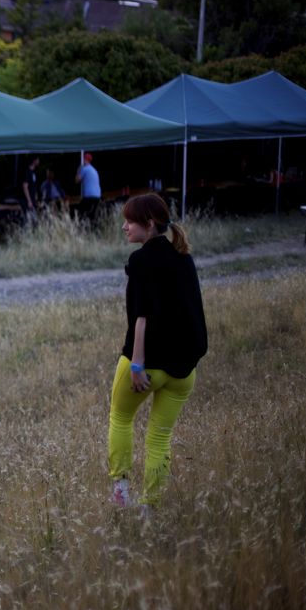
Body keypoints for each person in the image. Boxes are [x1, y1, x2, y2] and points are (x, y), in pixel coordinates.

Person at [108, 194, 208, 516]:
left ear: (149, 224)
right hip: (183, 371)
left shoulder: (141, 260)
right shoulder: (183, 256)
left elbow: (141, 316)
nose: (124, 227)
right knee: (160, 438)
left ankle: (121, 493)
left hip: (147, 364)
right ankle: (150, 509)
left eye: (130, 221)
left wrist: (138, 365)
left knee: (121, 417)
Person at [76, 152, 101, 221]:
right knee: (92, 215)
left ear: (84, 160)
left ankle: (82, 225)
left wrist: (78, 170)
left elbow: (77, 180)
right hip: (97, 196)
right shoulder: (94, 170)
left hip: (89, 196)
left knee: (80, 213)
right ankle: (92, 225)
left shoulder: (84, 169)